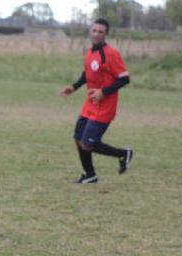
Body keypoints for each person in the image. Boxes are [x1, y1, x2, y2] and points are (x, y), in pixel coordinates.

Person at [60, 18, 134, 184]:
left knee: (87, 144)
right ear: (90, 32)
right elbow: (87, 74)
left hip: (105, 106)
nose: (96, 34)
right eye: (94, 31)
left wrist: (103, 92)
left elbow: (125, 79)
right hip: (90, 104)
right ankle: (90, 175)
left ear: (105, 34)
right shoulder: (90, 52)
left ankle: (123, 154)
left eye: (100, 32)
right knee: (79, 138)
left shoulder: (111, 54)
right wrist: (74, 87)